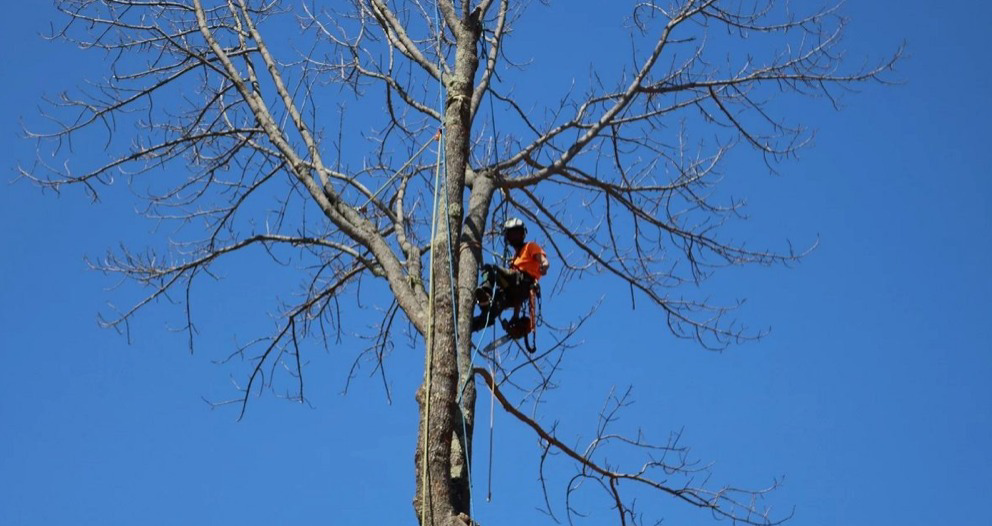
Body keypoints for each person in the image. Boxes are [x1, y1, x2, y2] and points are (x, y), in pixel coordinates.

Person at [471, 218, 550, 332]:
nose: (515, 237)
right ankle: (470, 325)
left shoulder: (529, 246)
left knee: (490, 270)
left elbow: (543, 260)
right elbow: (518, 297)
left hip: (522, 280)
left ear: (522, 234)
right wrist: (516, 316)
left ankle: (486, 292)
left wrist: (545, 265)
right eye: (512, 235)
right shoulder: (515, 258)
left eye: (517, 233)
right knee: (491, 312)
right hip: (513, 292)